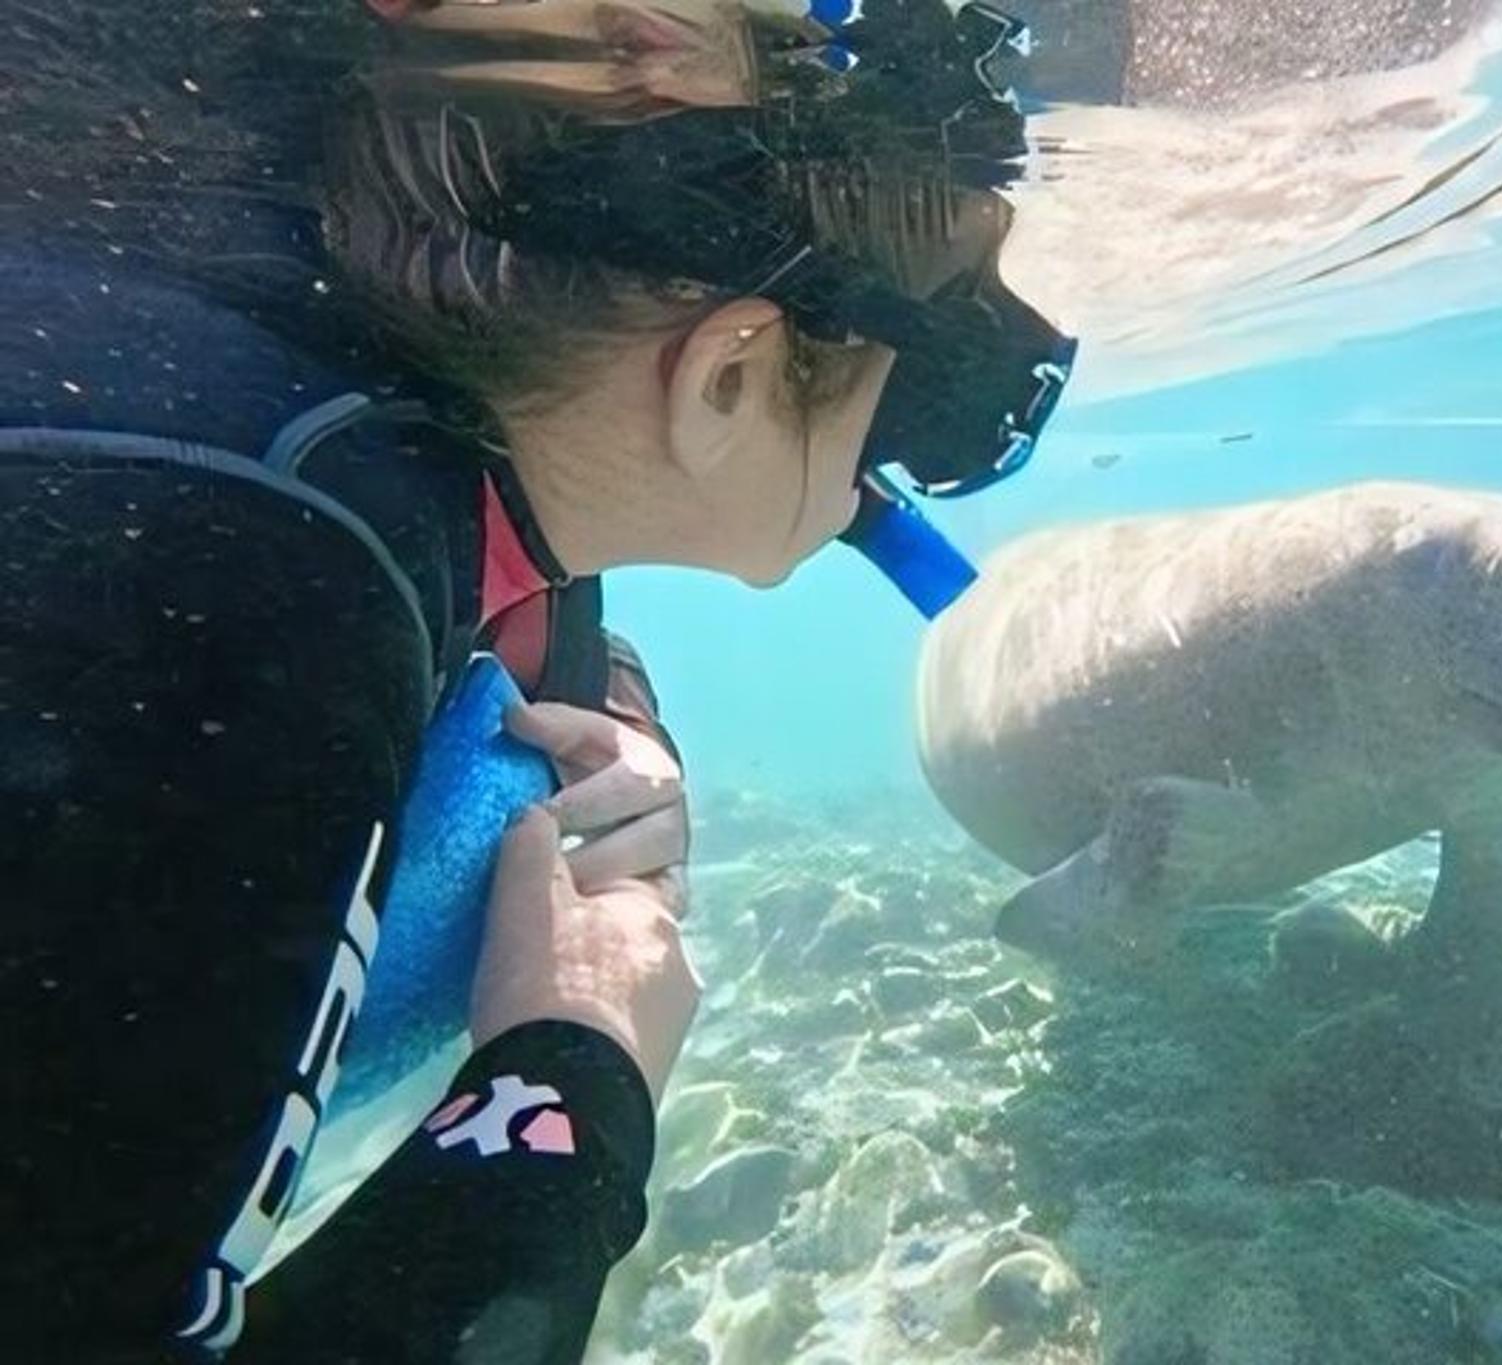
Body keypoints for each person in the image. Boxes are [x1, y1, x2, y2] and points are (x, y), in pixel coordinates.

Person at [0, 0, 1072, 1359]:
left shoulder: (327, 418)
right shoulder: (238, 591)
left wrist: (615, 717)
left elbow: (497, 593)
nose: (899, 467)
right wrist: (577, 1062)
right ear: (727, 377)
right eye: (901, 393)